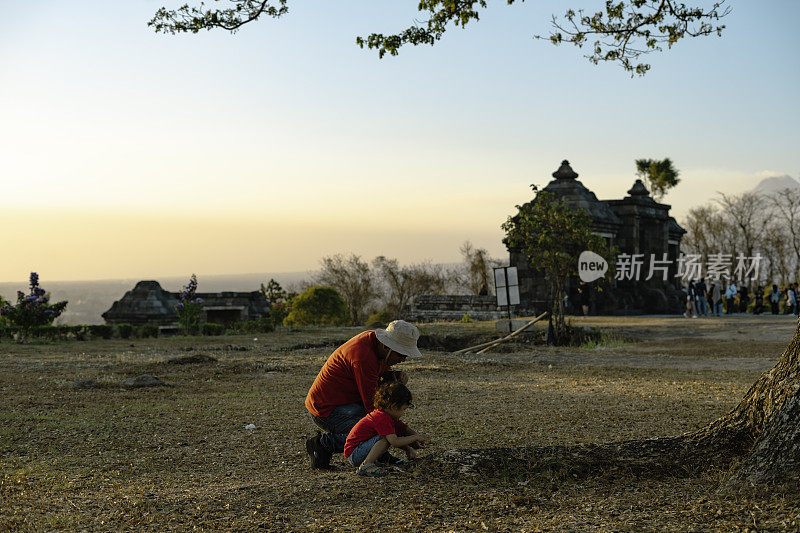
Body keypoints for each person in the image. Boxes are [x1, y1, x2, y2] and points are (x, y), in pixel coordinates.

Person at [304, 320, 422, 469]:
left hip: (348, 400)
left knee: (380, 424)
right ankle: (323, 444)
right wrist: (405, 434)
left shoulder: (375, 345)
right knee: (373, 432)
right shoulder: (363, 357)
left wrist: (393, 376)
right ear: (387, 346)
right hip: (326, 409)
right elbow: (376, 409)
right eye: (401, 354)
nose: (403, 359)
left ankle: (378, 453)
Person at [343, 381, 431, 477]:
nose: (403, 413)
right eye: (403, 409)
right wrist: (415, 437)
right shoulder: (382, 418)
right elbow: (394, 441)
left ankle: (371, 462)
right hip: (355, 454)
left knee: (389, 436)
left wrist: (408, 448)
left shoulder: (386, 415)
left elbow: (404, 429)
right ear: (393, 407)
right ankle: (366, 465)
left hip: (358, 451)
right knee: (385, 439)